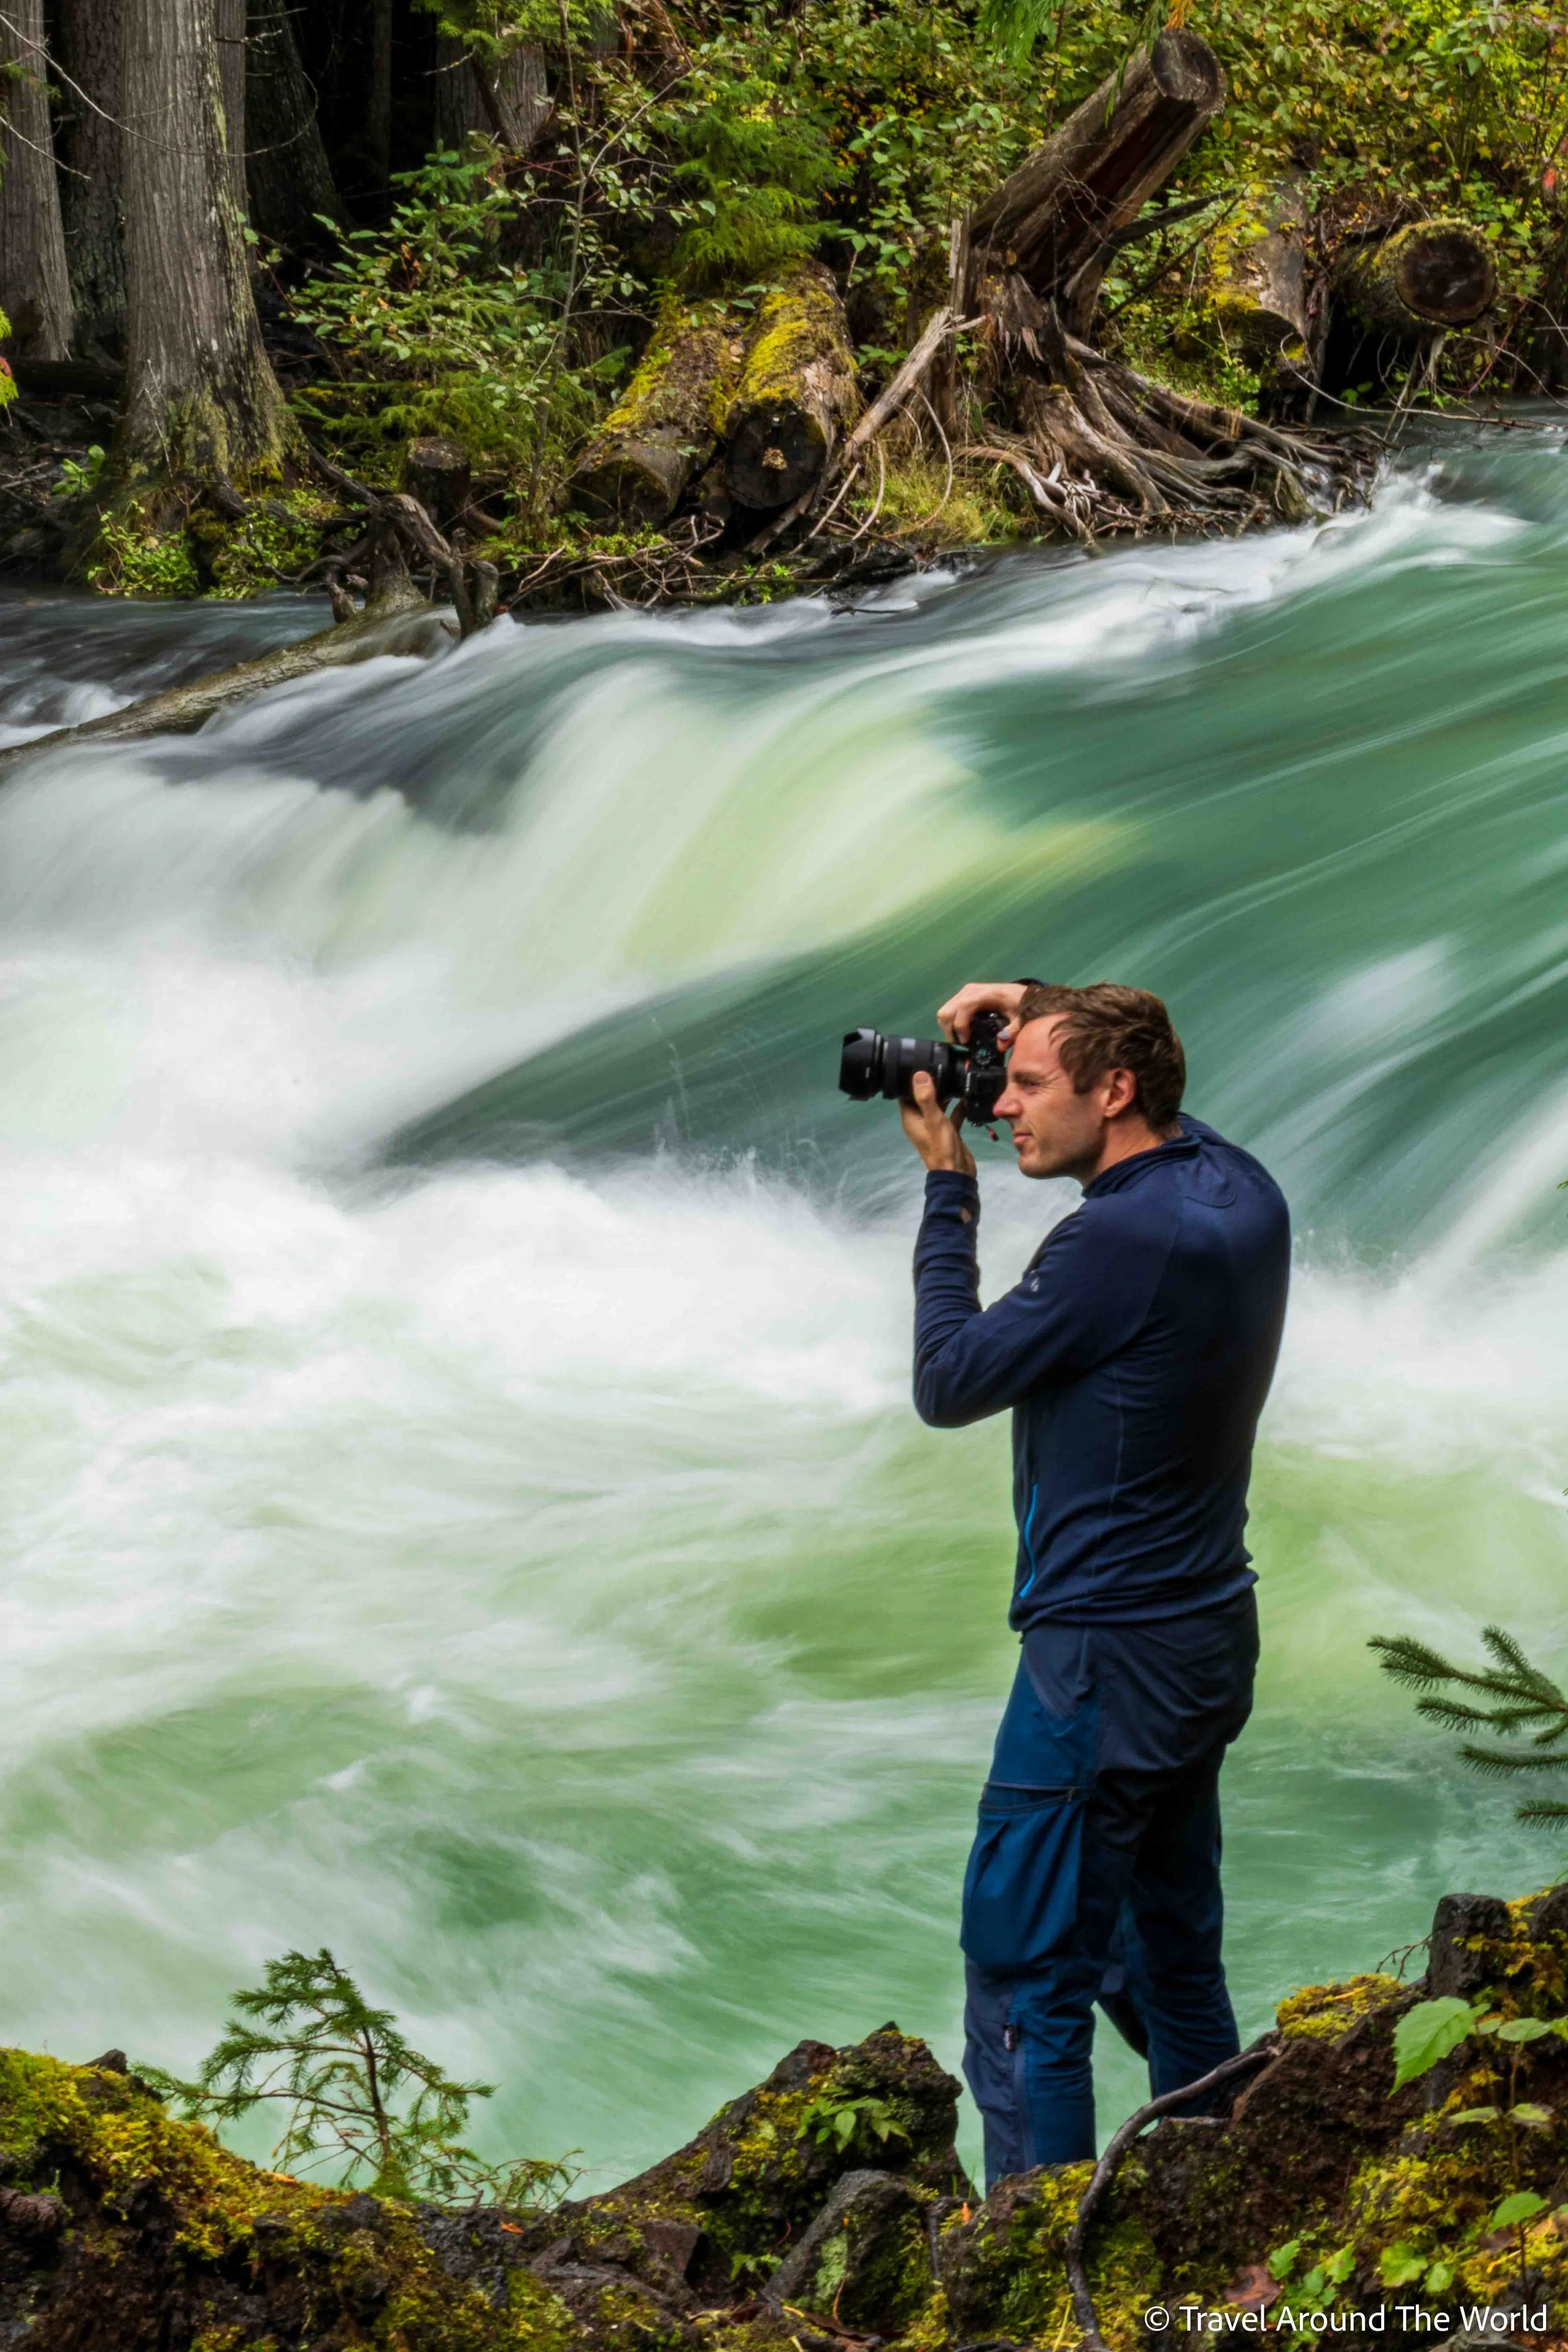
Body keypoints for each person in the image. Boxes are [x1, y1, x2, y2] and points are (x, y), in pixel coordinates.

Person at [899, 978, 1289, 2187]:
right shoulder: (1237, 1186)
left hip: (1101, 1662)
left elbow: (951, 1379)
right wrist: (1038, 998)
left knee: (1026, 1981)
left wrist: (946, 1188)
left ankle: (1029, 2276)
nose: (1002, 1104)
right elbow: (1147, 1058)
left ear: (1115, 1090)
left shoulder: (1116, 1237)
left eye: (1026, 1084)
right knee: (1161, 1956)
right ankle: (1220, 2204)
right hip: (1203, 1637)